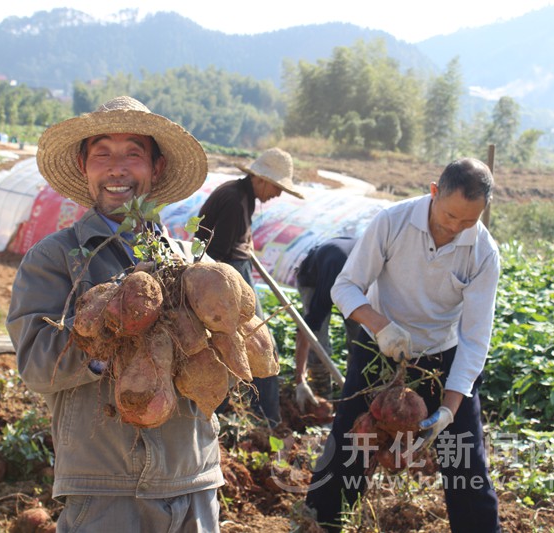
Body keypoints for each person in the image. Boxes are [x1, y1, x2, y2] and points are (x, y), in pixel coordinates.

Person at [6, 96, 224, 532]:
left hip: (194, 477)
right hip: (106, 485)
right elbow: (35, 366)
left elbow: (218, 359)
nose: (117, 167)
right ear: (85, 168)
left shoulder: (191, 264)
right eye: (102, 153)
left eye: (133, 154)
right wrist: (111, 329)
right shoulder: (55, 258)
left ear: (156, 169)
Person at [305, 157, 501, 532]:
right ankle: (321, 521)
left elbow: (475, 340)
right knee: (351, 442)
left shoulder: (483, 252)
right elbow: (345, 286)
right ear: (433, 192)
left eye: (469, 221)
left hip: (440, 357)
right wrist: (381, 327)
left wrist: (449, 408)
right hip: (378, 349)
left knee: (465, 460)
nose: (456, 228)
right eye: (450, 216)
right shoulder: (392, 222)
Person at [194, 147, 304, 427]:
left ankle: (244, 414)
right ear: (261, 179)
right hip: (228, 277)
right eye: (277, 187)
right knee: (260, 346)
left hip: (237, 272)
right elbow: (216, 256)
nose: (278, 194)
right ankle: (266, 420)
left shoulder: (243, 196)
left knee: (246, 346)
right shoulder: (233, 199)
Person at [293, 236, 361, 409]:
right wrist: (299, 379)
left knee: (360, 338)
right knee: (318, 341)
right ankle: (322, 401)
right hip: (313, 277)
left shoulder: (374, 272)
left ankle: (355, 393)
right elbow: (307, 330)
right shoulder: (329, 284)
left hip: (345, 264)